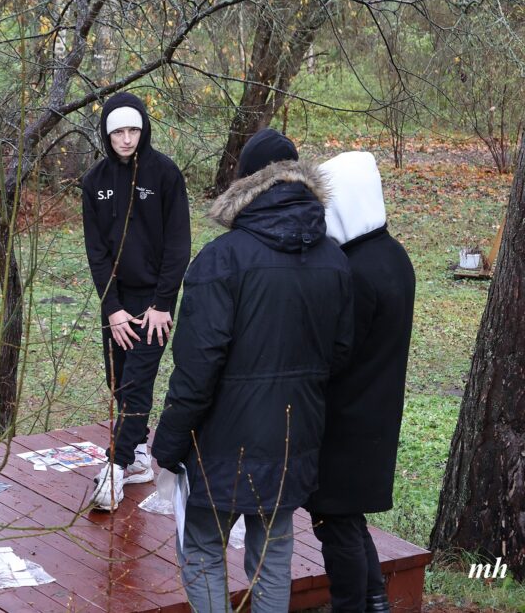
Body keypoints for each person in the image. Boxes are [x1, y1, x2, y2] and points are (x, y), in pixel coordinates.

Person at [152, 128, 354, 613]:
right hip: (293, 435)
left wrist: (169, 445)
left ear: (244, 182)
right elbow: (340, 353)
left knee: (202, 548)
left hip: (220, 443)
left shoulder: (221, 259)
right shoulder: (333, 259)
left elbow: (197, 367)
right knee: (273, 555)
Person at [306, 152, 415, 613]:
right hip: (375, 408)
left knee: (335, 522)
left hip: (346, 417)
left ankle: (354, 605)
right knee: (347, 520)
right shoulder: (392, 255)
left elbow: (336, 352)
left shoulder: (355, 270)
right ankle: (375, 602)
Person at [81, 91, 191, 511]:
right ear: (106, 135)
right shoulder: (94, 182)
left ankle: (116, 467)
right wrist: (112, 308)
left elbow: (178, 245)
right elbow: (96, 252)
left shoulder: (165, 174)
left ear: (144, 130)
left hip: (153, 301)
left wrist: (163, 303)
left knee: (137, 382)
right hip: (116, 299)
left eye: (133, 130)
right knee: (119, 381)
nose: (126, 139)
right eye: (118, 132)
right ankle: (139, 455)